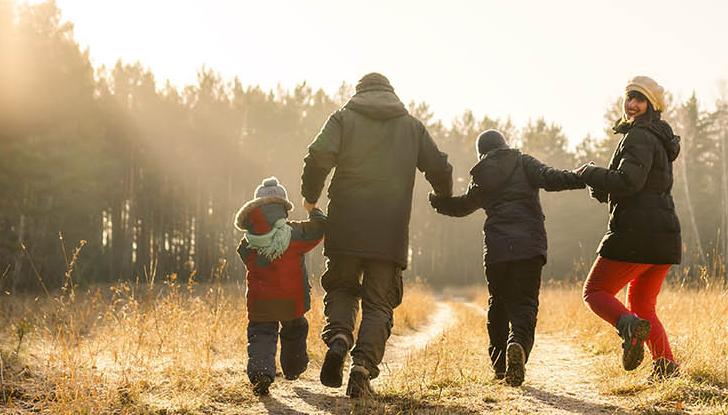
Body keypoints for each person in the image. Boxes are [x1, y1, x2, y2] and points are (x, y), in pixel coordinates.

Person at [301, 72, 453, 398]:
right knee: (379, 303)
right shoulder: (411, 126)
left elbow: (317, 156)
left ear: (359, 92)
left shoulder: (343, 118)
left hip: (345, 223)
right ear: (391, 93)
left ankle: (340, 338)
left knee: (342, 287)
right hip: (389, 231)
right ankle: (361, 367)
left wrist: (311, 196)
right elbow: (439, 167)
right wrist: (442, 197)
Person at [429, 130, 584, 387]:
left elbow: (462, 207)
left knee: (498, 305)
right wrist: (582, 177)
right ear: (504, 145)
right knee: (524, 303)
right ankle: (518, 345)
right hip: (529, 247)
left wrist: (437, 202)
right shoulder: (523, 162)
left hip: (497, 250)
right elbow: (551, 178)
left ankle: (500, 365)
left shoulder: (481, 177)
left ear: (482, 153)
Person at [576, 76, 683, 381]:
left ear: (652, 105)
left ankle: (628, 326)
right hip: (664, 236)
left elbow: (629, 182)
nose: (632, 104)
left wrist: (592, 172)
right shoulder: (658, 139)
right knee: (643, 305)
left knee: (595, 291)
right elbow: (639, 183)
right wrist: (599, 184)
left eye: (640, 99)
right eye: (630, 98)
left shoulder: (639, 137)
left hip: (638, 234)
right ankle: (666, 368)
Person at [234, 177, 327, 395]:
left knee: (261, 334)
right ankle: (293, 369)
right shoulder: (294, 233)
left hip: (260, 302)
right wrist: (313, 211)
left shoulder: (248, 241)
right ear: (283, 207)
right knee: (295, 328)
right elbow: (319, 229)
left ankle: (261, 375)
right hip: (291, 299)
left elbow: (245, 256)